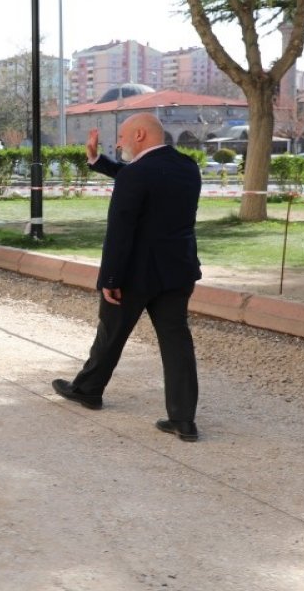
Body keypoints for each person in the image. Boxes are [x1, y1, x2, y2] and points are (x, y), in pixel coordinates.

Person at [51, 113, 203, 442]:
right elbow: (140, 179)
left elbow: (120, 232)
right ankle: (183, 420)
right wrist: (97, 160)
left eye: (120, 137)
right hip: (178, 271)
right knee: (177, 343)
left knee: (111, 333)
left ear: (138, 135)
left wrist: (109, 279)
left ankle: (89, 390)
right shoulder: (187, 167)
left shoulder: (137, 175)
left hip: (134, 275)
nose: (118, 143)